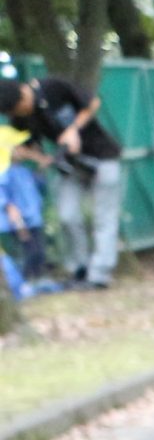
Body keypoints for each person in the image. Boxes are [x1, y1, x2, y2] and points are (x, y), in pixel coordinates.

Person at [0, 76, 120, 289]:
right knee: (67, 216)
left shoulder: (53, 87)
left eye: (20, 110)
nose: (20, 116)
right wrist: (31, 156)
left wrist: (73, 129)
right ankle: (80, 269)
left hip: (102, 157)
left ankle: (99, 276)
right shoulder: (21, 117)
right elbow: (29, 144)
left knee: (104, 218)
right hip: (69, 166)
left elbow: (92, 103)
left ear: (23, 97)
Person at [2, 127, 48, 286]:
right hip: (18, 224)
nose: (25, 150)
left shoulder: (24, 170)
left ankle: (37, 279)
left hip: (34, 220)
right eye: (20, 146)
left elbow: (39, 187)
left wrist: (41, 165)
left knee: (39, 252)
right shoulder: (5, 173)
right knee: (27, 253)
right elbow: (8, 203)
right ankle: (23, 283)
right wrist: (19, 224)